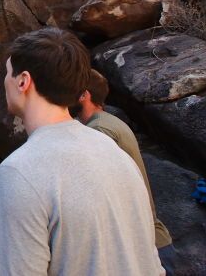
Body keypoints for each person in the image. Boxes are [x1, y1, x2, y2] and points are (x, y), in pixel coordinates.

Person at [0, 27, 164, 276]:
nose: (5, 81)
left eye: (7, 73)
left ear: (23, 81)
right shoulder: (115, 154)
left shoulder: (19, 171)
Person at [74, 69, 176, 272]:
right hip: (150, 243)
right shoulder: (107, 123)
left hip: (144, 249)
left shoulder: (100, 132)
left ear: (85, 95)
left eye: (69, 91)